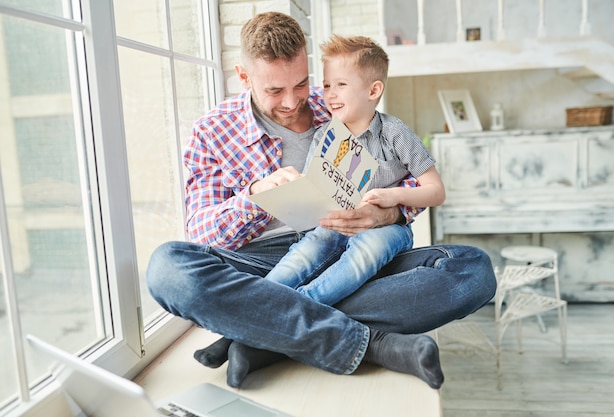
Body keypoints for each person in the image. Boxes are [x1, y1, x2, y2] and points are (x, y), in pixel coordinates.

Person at [146, 11, 497, 390]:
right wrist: (256, 197)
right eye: (274, 91)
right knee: (167, 268)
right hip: (261, 264)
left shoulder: (337, 100)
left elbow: (408, 175)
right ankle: (370, 344)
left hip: (349, 251)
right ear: (244, 77)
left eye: (301, 83)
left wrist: (389, 213)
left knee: (472, 271)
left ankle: (260, 332)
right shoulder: (212, 130)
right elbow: (203, 233)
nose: (293, 100)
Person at [263, 34, 446, 307]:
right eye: (326, 85)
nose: (330, 94)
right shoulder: (324, 136)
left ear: (373, 91)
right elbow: (315, 187)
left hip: (387, 228)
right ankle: (254, 302)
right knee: (304, 253)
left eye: (341, 85)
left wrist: (393, 196)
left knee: (368, 251)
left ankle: (299, 305)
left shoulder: (394, 133)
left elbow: (436, 191)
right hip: (335, 223)